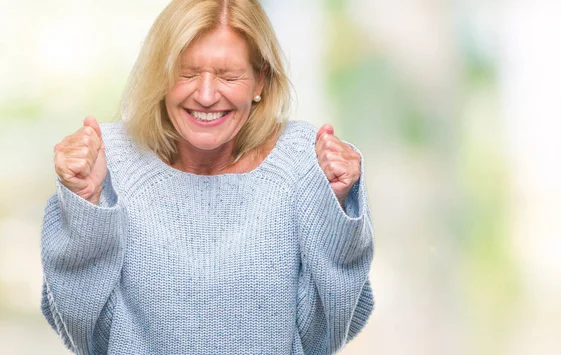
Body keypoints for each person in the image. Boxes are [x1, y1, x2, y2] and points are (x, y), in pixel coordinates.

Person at [40, 0, 374, 354]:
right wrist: (85, 205)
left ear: (260, 79)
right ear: (160, 76)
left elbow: (328, 330)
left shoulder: (303, 160)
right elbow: (80, 328)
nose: (206, 95)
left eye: (229, 76)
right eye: (186, 73)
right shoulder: (109, 160)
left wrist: (334, 205)